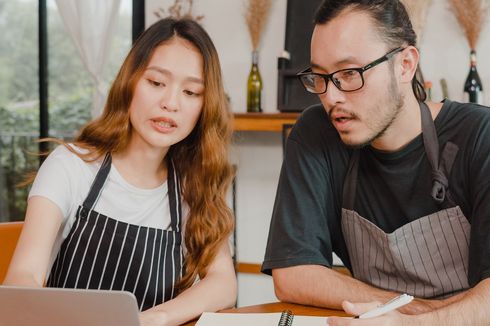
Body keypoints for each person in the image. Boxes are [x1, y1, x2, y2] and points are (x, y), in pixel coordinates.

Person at [262, 0, 490, 324]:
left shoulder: (479, 135)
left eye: (349, 73)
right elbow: (293, 273)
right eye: (320, 77)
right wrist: (407, 308)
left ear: (405, 65)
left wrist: (410, 322)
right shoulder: (317, 135)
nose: (331, 97)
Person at [4, 17, 237, 326]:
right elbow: (23, 276)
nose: (170, 103)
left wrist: (152, 319)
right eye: (156, 83)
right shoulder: (70, 167)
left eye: (191, 92)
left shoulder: (192, 186)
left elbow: (223, 283)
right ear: (130, 83)